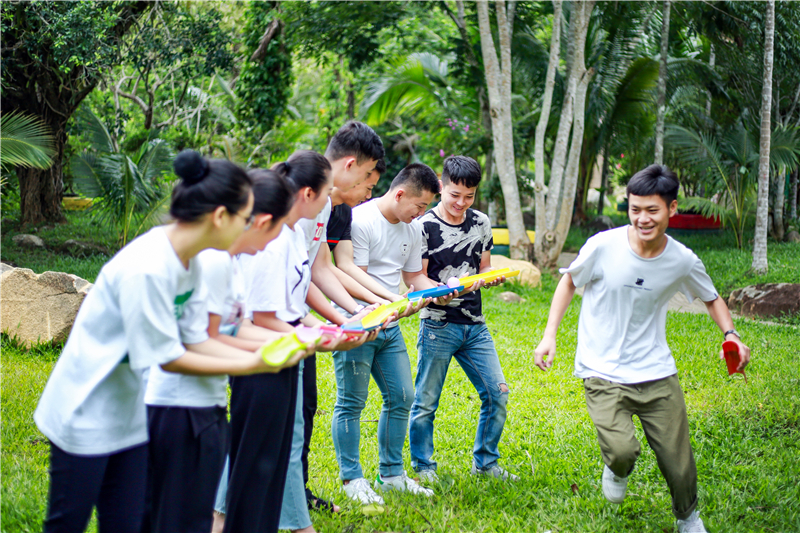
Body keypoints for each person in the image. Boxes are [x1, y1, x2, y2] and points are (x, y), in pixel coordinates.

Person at [33, 150, 291, 533]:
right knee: (67, 524)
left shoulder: (193, 260)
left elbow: (195, 339)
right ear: (220, 217)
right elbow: (169, 357)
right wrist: (255, 363)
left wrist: (269, 351)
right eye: (244, 219)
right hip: (83, 411)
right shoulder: (149, 268)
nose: (247, 230)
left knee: (128, 523)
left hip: (130, 414)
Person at [533, 164, 751, 533]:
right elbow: (569, 282)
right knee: (622, 452)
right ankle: (617, 470)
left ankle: (688, 517)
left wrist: (730, 335)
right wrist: (550, 334)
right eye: (635, 209)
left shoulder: (682, 259)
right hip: (601, 369)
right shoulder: (604, 246)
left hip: (655, 371)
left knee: (677, 460)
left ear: (672, 209)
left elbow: (712, 298)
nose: (642, 219)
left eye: (652, 210)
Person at [143, 168, 303, 533]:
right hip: (178, 407)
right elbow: (197, 341)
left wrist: (294, 341)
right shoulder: (208, 260)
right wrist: (256, 360)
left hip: (207, 402)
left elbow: (233, 328)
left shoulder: (225, 262)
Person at [223, 151, 374, 533]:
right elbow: (260, 318)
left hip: (284, 354)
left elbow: (293, 304)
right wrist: (322, 339)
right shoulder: (269, 242)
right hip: (262, 360)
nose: (329, 202)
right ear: (307, 193)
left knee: (274, 454)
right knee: (250, 460)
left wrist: (335, 329)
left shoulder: (292, 236)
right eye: (325, 194)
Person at [332, 163, 453, 505]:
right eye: (420, 206)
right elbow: (353, 276)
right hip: (357, 322)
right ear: (400, 194)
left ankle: (392, 474)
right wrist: (390, 299)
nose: (422, 213)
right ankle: (352, 479)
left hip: (391, 322)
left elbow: (415, 278)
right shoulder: (361, 220)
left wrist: (436, 291)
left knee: (403, 396)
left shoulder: (412, 229)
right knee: (351, 403)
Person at [408, 155, 517, 484]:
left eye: (469, 196)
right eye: (455, 194)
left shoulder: (481, 222)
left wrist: (491, 277)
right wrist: (436, 292)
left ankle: (485, 463)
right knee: (426, 402)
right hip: (437, 324)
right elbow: (418, 278)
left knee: (497, 393)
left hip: (475, 324)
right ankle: (423, 468)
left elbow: (483, 266)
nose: (461, 203)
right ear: (441, 187)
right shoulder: (424, 226)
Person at [296, 123, 387, 513]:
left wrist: (351, 314)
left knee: (304, 408)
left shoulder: (325, 208)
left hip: (297, 324)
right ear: (350, 165)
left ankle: (295, 495)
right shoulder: (302, 200)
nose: (369, 192)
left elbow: (319, 269)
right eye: (369, 179)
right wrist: (336, 324)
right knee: (276, 421)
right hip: (271, 327)